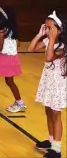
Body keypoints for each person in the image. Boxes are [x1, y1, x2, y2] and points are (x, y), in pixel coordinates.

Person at [27, 11, 66, 158]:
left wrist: (51, 39)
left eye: (51, 28)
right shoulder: (50, 41)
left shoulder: (62, 46)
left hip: (58, 84)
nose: (48, 31)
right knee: (48, 110)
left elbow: (49, 57)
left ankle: (57, 149)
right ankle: (51, 141)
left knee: (56, 114)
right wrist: (39, 35)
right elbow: (30, 49)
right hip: (48, 80)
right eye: (46, 27)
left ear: (60, 30)